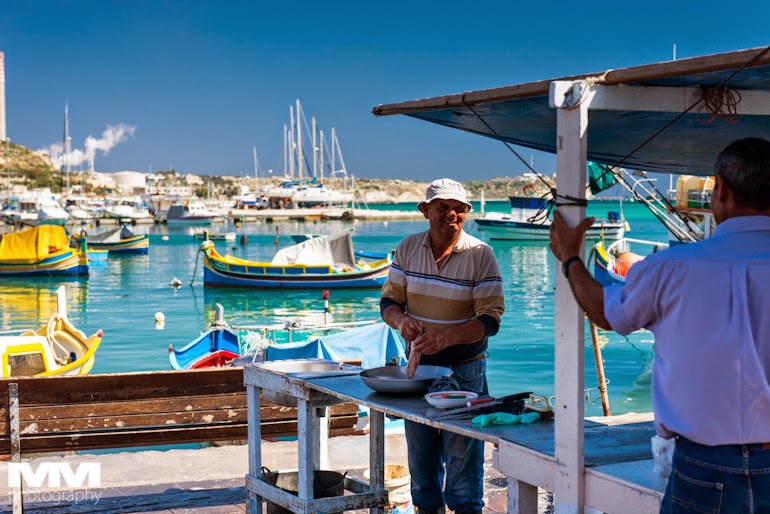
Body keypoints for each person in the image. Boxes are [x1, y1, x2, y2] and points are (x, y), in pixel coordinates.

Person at [548, 137, 770, 513]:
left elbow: (604, 312)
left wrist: (570, 257)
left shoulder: (670, 268)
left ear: (723, 192)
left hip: (703, 465)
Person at [380, 178, 505, 514]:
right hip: (418, 368)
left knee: (463, 463)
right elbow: (389, 302)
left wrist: (447, 337)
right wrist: (402, 322)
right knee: (420, 462)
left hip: (466, 371)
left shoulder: (481, 255)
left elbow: (490, 319)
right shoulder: (407, 247)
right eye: (442, 208)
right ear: (425, 211)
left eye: (458, 209)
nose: (451, 214)